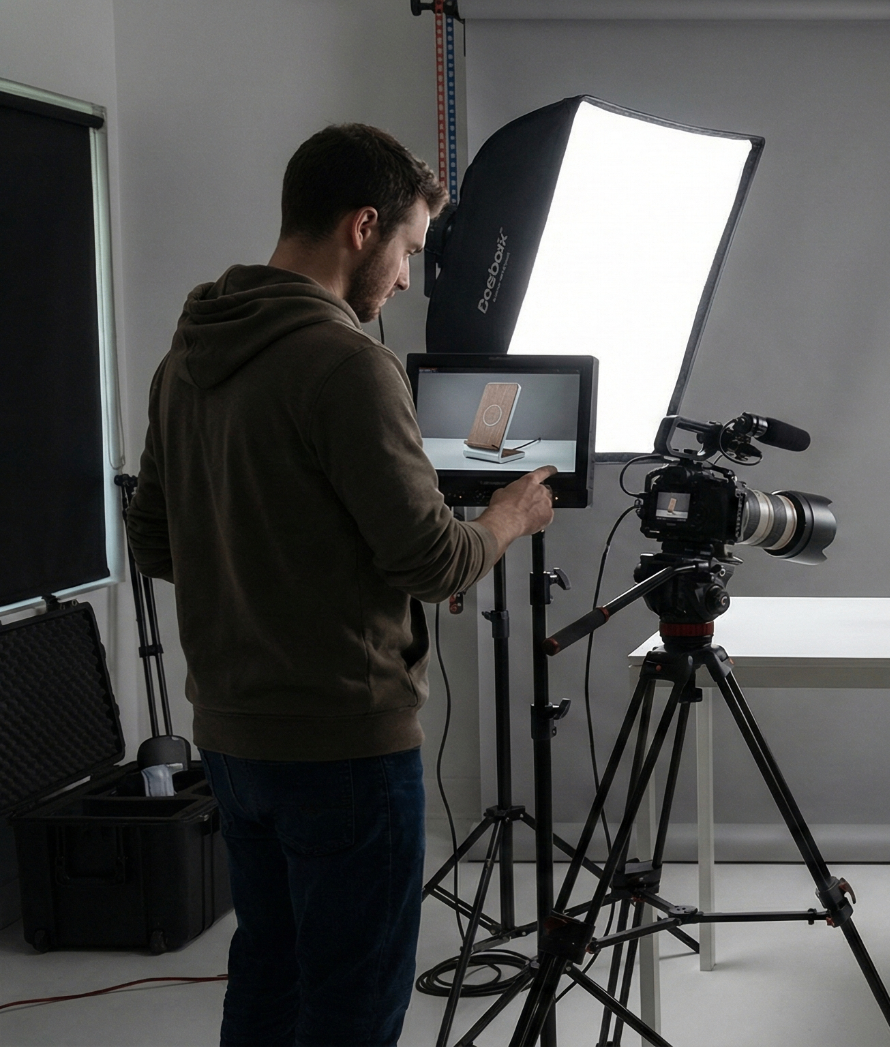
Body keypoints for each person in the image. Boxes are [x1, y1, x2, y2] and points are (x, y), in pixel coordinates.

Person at [124, 124, 556, 1046]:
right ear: (363, 227)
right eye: (408, 251)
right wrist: (506, 518)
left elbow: (156, 537)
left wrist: (278, 569)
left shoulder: (185, 358)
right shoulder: (350, 364)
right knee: (353, 1007)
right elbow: (434, 561)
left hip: (232, 739)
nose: (404, 280)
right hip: (344, 746)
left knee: (268, 976)